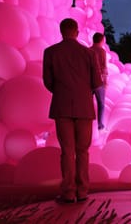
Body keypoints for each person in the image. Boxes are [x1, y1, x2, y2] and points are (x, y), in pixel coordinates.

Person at [42, 18, 102, 204]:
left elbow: (48, 81)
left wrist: (61, 92)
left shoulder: (50, 52)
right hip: (84, 107)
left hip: (62, 106)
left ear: (61, 31)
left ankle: (68, 192)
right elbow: (97, 82)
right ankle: (82, 191)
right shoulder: (89, 53)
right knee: (83, 151)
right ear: (76, 31)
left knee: (67, 151)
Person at [89, 32, 108, 130]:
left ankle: (87, 124)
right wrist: (105, 81)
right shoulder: (102, 51)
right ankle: (100, 125)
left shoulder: (88, 50)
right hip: (98, 80)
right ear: (101, 40)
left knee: (88, 103)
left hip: (88, 80)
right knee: (101, 103)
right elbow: (104, 67)